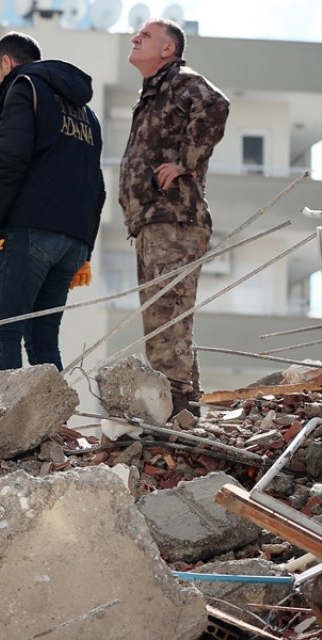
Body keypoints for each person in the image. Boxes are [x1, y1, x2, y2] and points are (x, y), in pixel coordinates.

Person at [0, 32, 103, 372]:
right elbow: (96, 184)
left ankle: (11, 424)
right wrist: (85, 251)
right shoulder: (86, 113)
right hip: (73, 242)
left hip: (32, 228)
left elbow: (9, 160)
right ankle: (53, 422)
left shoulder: (24, 87)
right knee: (43, 341)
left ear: (7, 63)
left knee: (2, 333)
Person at [119, 19, 229, 418]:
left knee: (168, 329)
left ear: (168, 50)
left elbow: (216, 105)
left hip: (175, 220)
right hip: (154, 221)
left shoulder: (180, 80)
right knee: (165, 329)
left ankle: (175, 417)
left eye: (145, 36)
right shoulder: (153, 92)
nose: (135, 38)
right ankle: (185, 413)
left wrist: (185, 162)